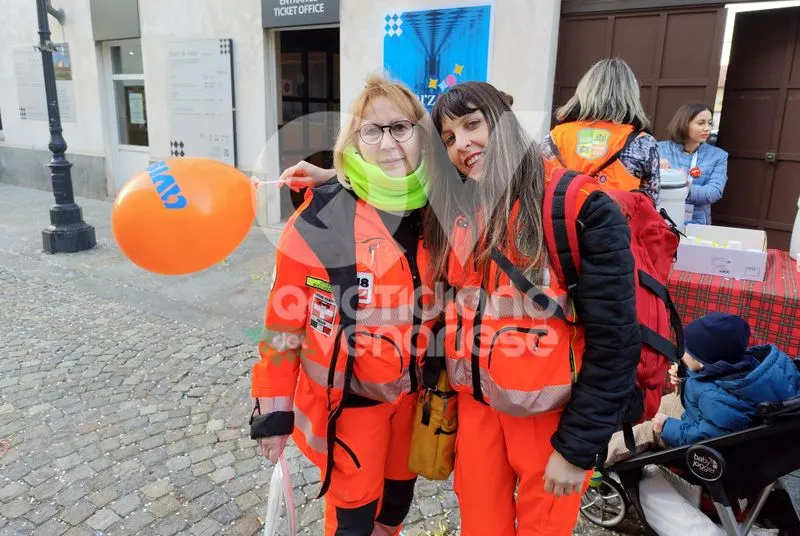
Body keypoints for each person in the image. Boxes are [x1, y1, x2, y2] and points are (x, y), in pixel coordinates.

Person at [280, 81, 642, 535]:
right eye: (448, 138)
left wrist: (577, 448)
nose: (463, 144)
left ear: (503, 120)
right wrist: (338, 176)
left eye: (473, 124)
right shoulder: (454, 203)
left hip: (549, 420)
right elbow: (396, 180)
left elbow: (616, 341)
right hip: (476, 413)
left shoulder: (577, 208)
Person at [251, 76, 434, 536]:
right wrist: (272, 415)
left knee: (394, 509)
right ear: (354, 140)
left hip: (412, 401)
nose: (389, 141)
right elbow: (282, 327)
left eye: (401, 127)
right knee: (352, 520)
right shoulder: (319, 221)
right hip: (352, 408)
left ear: (420, 134)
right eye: (372, 131)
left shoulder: (436, 208)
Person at [653, 312, 800, 447]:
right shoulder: (754, 365)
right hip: (704, 415)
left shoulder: (712, 398)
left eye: (684, 348)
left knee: (644, 423)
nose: (679, 350)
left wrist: (666, 427)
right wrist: (684, 377)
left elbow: (709, 439)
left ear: (701, 362)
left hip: (695, 442)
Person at [542, 58, 662, 203]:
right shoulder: (642, 144)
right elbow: (650, 202)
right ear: (631, 95)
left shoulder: (553, 138)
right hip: (616, 223)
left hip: (559, 223)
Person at [658, 103, 728, 225]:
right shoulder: (659, 149)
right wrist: (656, 171)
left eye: (710, 123)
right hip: (662, 217)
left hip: (698, 221)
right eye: (701, 123)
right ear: (684, 124)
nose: (707, 128)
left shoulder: (718, 156)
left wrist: (683, 187)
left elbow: (714, 191)